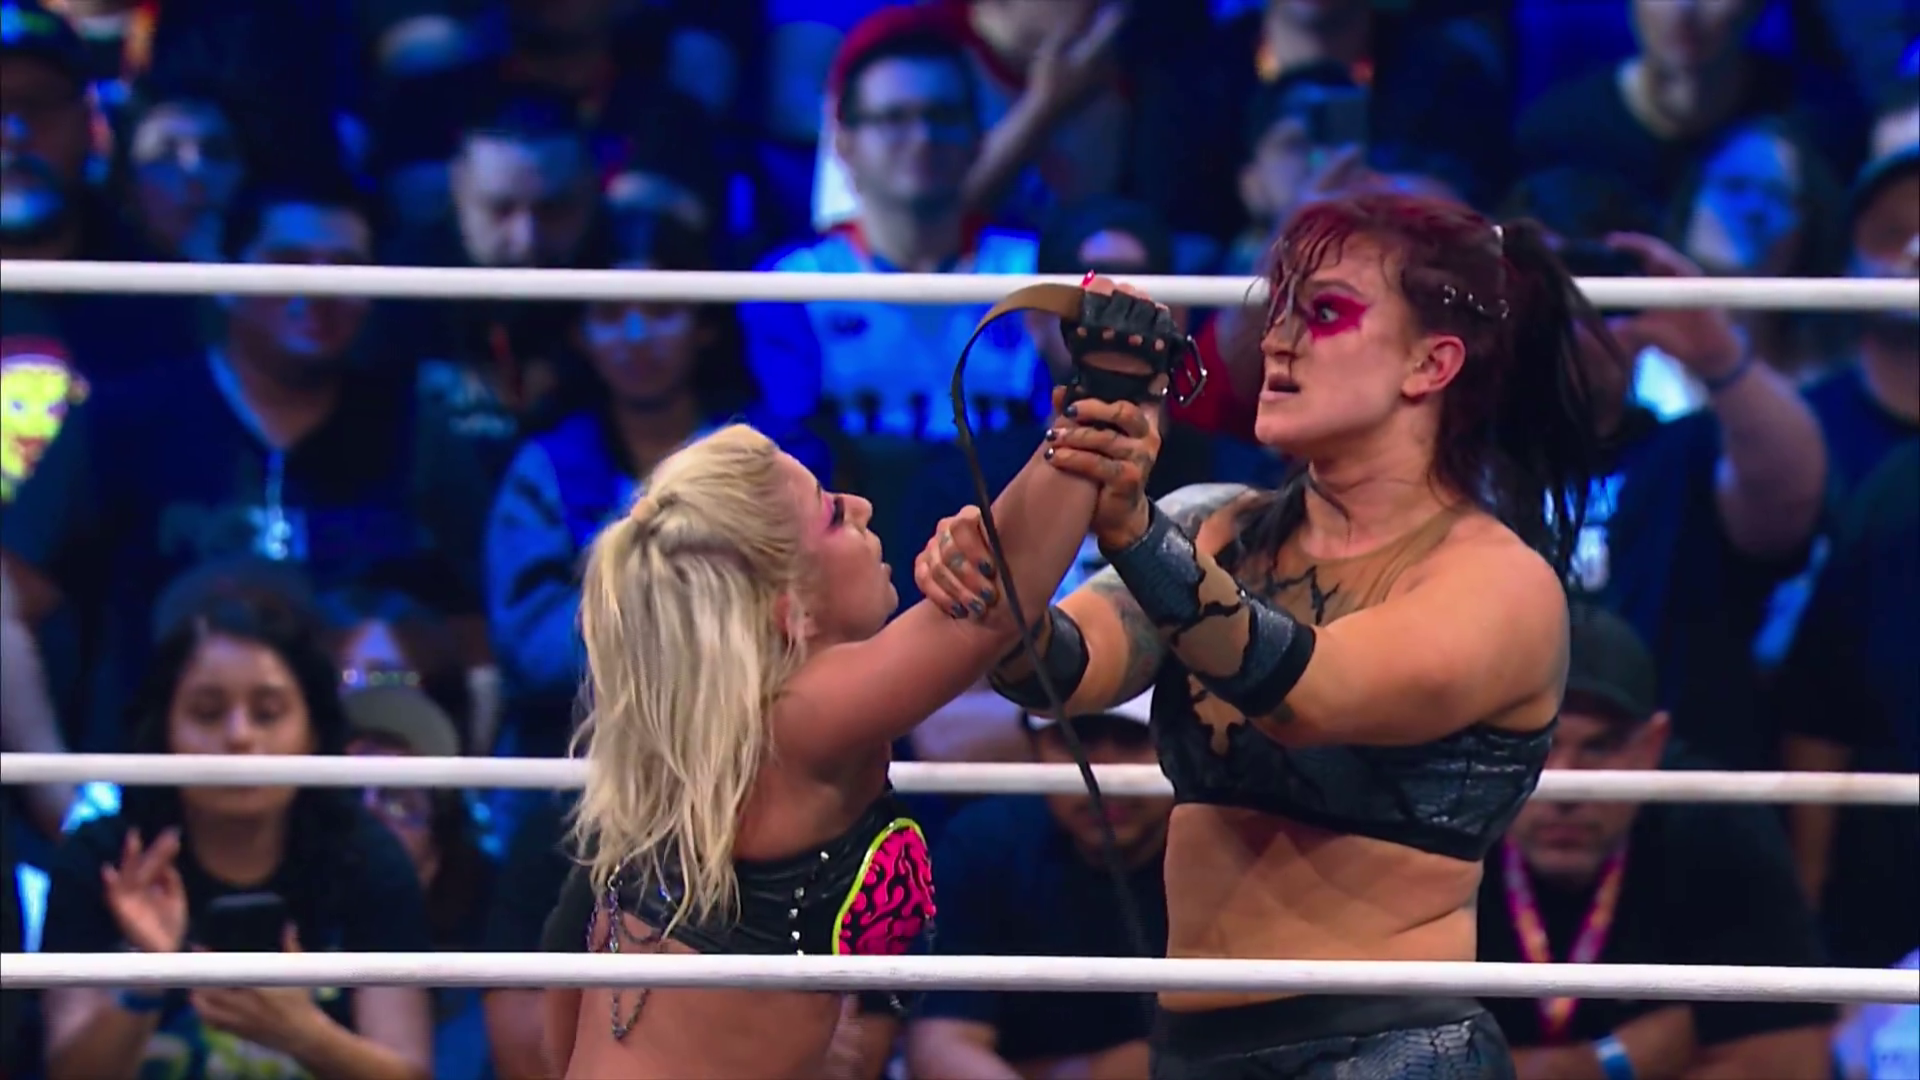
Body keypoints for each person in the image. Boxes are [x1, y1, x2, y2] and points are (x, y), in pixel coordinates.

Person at [925, 192, 1606, 1078]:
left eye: (1324, 313)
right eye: (1279, 308)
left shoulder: (1499, 582)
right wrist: (1067, 458)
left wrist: (1135, 531)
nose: (1277, 339)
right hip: (1192, 1050)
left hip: (1387, 1053)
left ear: (1430, 364)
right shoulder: (1213, 525)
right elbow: (1051, 671)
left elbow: (1308, 695)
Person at [540, 279, 1184, 1078]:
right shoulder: (793, 717)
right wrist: (1104, 396)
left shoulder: (736, 728)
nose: (864, 507)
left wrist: (1085, 416)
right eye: (831, 514)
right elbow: (994, 607)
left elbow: (566, 1003)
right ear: (789, 610)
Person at [37, 590, 434, 1080]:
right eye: (207, 713)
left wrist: (305, 1034)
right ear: (163, 732)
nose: (239, 736)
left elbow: (410, 1073)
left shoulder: (368, 859)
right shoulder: (105, 860)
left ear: (313, 734)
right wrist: (144, 981)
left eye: (268, 714)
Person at [1484, 603, 1833, 1079]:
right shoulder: (1439, 833)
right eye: (1539, 746)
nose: (1565, 787)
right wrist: (1620, 1059)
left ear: (1652, 746)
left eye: (1599, 747)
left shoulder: (1717, 823)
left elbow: (1790, 1064)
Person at [906, 691, 1171, 1079]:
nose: (1103, 774)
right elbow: (942, 1044)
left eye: (1132, 740)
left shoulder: (1227, 848)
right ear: (1034, 747)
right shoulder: (984, 841)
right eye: (1076, 739)